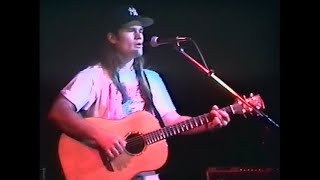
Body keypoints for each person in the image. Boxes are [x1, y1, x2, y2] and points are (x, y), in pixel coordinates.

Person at [47, 5, 231, 180]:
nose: (139, 36)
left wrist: (208, 123)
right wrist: (101, 137)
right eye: (130, 30)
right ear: (112, 37)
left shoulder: (152, 79)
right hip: (104, 172)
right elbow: (59, 112)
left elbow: (173, 121)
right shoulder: (93, 76)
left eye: (141, 31)